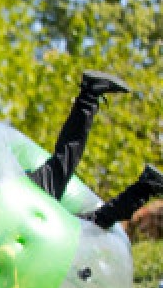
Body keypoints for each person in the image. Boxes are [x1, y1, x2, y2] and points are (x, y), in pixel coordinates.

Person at [26, 70, 163, 229]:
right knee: (96, 223)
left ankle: (90, 93)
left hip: (18, 196)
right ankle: (145, 187)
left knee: (59, 169)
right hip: (31, 223)